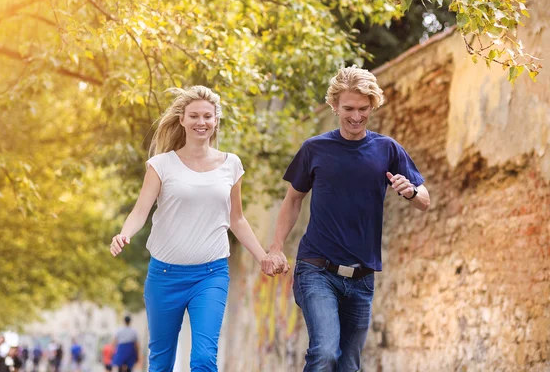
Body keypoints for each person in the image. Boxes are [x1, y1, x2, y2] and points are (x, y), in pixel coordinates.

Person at [265, 66, 430, 371]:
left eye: (363, 109)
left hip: (362, 277)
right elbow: (293, 199)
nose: (356, 117)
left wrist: (409, 191)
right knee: (325, 352)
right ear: (335, 106)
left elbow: (424, 200)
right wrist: (275, 247)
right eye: (348, 109)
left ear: (373, 106)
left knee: (349, 365)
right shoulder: (315, 149)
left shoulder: (387, 149)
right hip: (317, 270)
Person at [109, 86, 283, 371]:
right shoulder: (161, 165)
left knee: (203, 358)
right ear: (182, 120)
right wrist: (124, 233)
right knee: (161, 360)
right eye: (194, 116)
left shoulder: (231, 165)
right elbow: (141, 211)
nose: (201, 122)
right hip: (164, 275)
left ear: (216, 120)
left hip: (210, 274)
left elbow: (237, 220)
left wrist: (262, 256)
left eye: (207, 116)